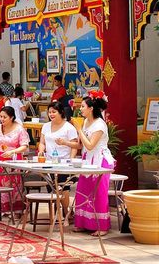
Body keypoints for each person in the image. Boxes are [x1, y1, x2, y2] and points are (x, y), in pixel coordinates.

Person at [74, 94, 114, 237]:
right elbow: (81, 144)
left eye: (82, 106)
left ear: (91, 108)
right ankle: (83, 223)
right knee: (83, 189)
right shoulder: (86, 122)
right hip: (87, 160)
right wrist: (64, 142)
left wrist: (79, 129)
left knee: (98, 192)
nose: (80, 109)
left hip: (100, 160)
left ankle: (102, 226)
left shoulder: (100, 125)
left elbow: (90, 145)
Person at [0, 106, 28, 214]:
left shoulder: (19, 129)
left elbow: (24, 146)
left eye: (5, 117)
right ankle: (0, 208)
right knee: (0, 182)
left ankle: (16, 209)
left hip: (14, 158)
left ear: (11, 117)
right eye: (1, 117)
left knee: (14, 183)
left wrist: (13, 152)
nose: (2, 119)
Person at [37, 101, 79, 217]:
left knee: (63, 188)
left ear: (61, 112)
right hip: (49, 162)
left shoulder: (69, 127)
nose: (51, 114)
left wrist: (71, 159)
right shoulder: (46, 126)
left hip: (64, 162)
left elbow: (75, 145)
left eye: (54, 112)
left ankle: (66, 212)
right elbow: (42, 142)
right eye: (49, 112)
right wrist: (41, 151)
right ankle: (57, 213)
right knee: (52, 187)